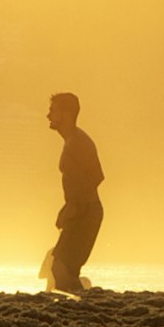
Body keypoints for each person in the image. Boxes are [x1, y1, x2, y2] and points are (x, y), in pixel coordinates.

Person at [45, 94, 104, 292]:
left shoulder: (79, 141)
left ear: (67, 113)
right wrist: (68, 208)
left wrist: (74, 207)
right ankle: (78, 300)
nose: (48, 115)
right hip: (80, 210)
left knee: (61, 268)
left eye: (53, 110)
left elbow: (96, 176)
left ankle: (80, 302)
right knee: (62, 268)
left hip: (87, 212)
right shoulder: (70, 141)